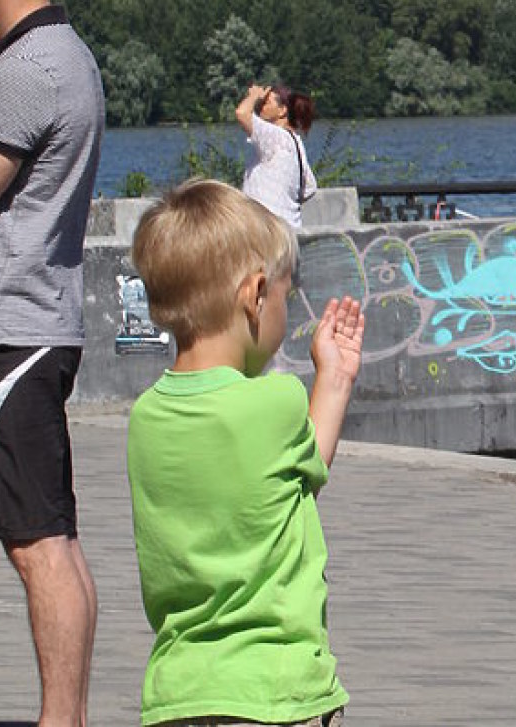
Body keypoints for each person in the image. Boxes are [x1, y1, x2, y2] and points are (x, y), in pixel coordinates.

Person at [127, 179, 363, 726]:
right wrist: (334, 379)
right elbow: (310, 476)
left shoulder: (145, 418)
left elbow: (277, 488)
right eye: (285, 291)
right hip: (275, 687)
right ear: (255, 295)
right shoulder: (276, 402)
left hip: (178, 690)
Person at [0, 0, 104, 727]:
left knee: (35, 540)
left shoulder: (18, 70)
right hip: (42, 321)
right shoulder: (68, 54)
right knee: (55, 537)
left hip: (5, 327)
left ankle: (60, 719)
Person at [235, 83, 317, 229]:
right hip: (288, 229)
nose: (261, 106)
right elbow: (310, 187)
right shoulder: (295, 141)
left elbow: (242, 113)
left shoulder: (276, 137)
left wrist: (253, 96)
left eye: (266, 102)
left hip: (269, 231)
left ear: (282, 111)